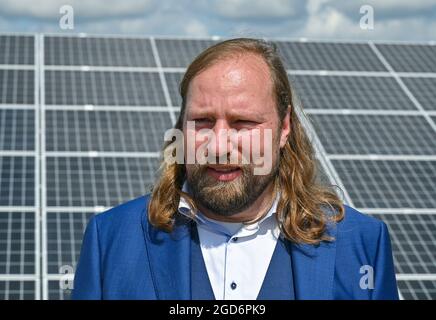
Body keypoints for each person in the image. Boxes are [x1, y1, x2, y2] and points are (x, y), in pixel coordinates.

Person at [72, 38, 399, 300]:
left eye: (243, 122)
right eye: (202, 121)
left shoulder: (361, 245)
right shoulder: (112, 240)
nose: (219, 146)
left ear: (284, 127)